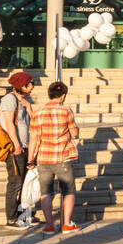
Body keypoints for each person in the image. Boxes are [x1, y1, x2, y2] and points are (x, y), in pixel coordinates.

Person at [27, 81, 80, 233]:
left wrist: (31, 159)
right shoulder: (66, 111)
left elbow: (33, 140)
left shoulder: (37, 113)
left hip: (43, 158)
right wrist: (75, 129)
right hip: (62, 156)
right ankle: (67, 224)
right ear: (63, 96)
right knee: (68, 191)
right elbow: (74, 133)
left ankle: (49, 225)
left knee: (45, 192)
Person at [0, 70, 36, 228]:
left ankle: (23, 215)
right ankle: (11, 217)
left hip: (26, 147)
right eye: (30, 84)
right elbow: (9, 124)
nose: (32, 86)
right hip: (15, 148)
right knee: (15, 182)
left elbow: (35, 123)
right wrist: (16, 145)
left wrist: (29, 108)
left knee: (25, 183)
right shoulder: (9, 99)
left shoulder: (24, 102)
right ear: (22, 85)